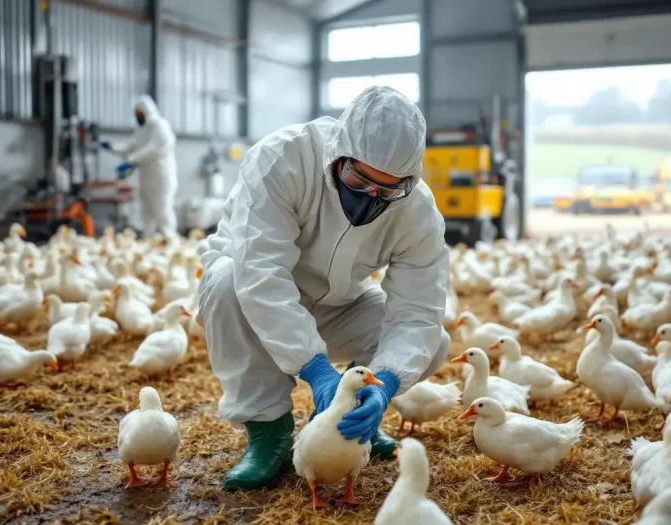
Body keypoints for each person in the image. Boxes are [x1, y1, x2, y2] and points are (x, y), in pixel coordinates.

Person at [197, 86, 450, 491]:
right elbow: (261, 273)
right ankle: (269, 434)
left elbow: (418, 310)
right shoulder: (284, 158)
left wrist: (384, 385)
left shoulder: (417, 211)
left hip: (337, 306)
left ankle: (349, 421)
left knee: (432, 340)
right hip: (256, 299)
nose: (371, 197)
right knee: (226, 280)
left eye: (387, 190)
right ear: (339, 153)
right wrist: (315, 370)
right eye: (359, 179)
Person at [101, 94, 178, 236]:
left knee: (162, 211)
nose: (138, 116)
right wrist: (113, 147)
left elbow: (154, 149)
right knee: (146, 213)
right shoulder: (141, 130)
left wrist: (130, 161)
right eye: (136, 114)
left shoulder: (160, 126)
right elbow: (131, 146)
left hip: (160, 179)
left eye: (140, 113)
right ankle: (148, 241)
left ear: (147, 112)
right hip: (146, 179)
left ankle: (170, 239)